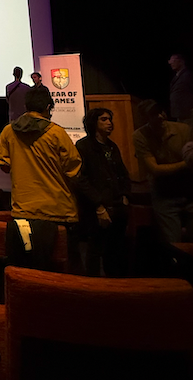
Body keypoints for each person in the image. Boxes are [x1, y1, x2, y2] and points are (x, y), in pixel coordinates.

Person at [0, 88, 82, 271]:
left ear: (27, 106)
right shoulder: (57, 133)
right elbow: (74, 170)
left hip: (22, 211)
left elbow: (4, 165)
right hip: (59, 211)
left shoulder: (8, 131)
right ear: (48, 106)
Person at [133, 99, 193, 244]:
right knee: (172, 242)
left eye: (161, 112)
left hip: (191, 190)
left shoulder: (182, 129)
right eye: (153, 114)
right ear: (145, 118)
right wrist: (187, 163)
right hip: (165, 193)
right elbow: (155, 169)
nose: (160, 116)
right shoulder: (140, 136)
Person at [75, 108, 131, 276]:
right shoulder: (83, 146)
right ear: (94, 123)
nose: (109, 123)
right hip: (95, 209)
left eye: (110, 119)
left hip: (117, 206)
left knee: (115, 251)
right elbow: (81, 179)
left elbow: (122, 173)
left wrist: (126, 196)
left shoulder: (112, 146)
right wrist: (98, 206)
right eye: (104, 119)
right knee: (94, 251)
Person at [168, 53, 193, 122]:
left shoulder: (187, 76)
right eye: (170, 61)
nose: (171, 63)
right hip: (179, 114)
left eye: (174, 61)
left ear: (181, 61)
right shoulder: (177, 77)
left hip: (187, 114)